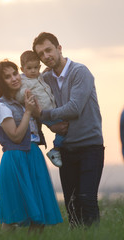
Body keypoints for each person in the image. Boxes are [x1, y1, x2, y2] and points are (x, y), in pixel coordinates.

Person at [32, 32, 105, 227]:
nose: (46, 56)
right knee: (72, 205)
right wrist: (51, 125)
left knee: (87, 199)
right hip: (65, 149)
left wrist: (45, 115)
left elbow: (74, 108)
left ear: (59, 48)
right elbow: (35, 109)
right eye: (41, 54)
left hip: (90, 146)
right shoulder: (45, 78)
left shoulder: (81, 72)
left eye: (48, 50)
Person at [0, 60, 63, 232]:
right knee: (13, 214)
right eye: (7, 77)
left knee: (39, 213)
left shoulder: (25, 100)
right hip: (15, 158)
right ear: (1, 82)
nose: (14, 78)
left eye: (15, 73)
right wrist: (28, 111)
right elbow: (15, 136)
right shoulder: (1, 106)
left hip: (33, 154)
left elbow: (38, 124)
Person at [16, 50, 64, 167]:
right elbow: (19, 94)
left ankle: (59, 148)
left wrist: (43, 73)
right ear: (22, 69)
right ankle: (56, 150)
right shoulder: (23, 82)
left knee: (64, 127)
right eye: (29, 68)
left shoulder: (39, 77)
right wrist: (25, 94)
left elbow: (38, 81)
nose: (33, 71)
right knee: (63, 129)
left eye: (36, 68)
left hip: (51, 110)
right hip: (42, 112)